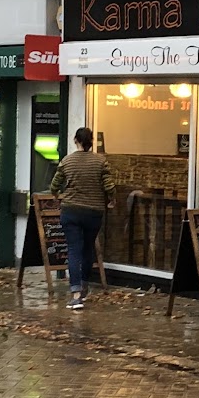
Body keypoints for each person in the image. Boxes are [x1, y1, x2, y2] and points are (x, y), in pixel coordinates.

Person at [49, 126, 113, 310]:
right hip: (94, 211)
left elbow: (55, 184)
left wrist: (56, 195)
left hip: (71, 210)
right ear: (91, 141)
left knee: (73, 249)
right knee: (87, 249)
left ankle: (75, 293)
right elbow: (109, 185)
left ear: (75, 140)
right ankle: (84, 285)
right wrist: (112, 200)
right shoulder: (101, 161)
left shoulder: (67, 161)